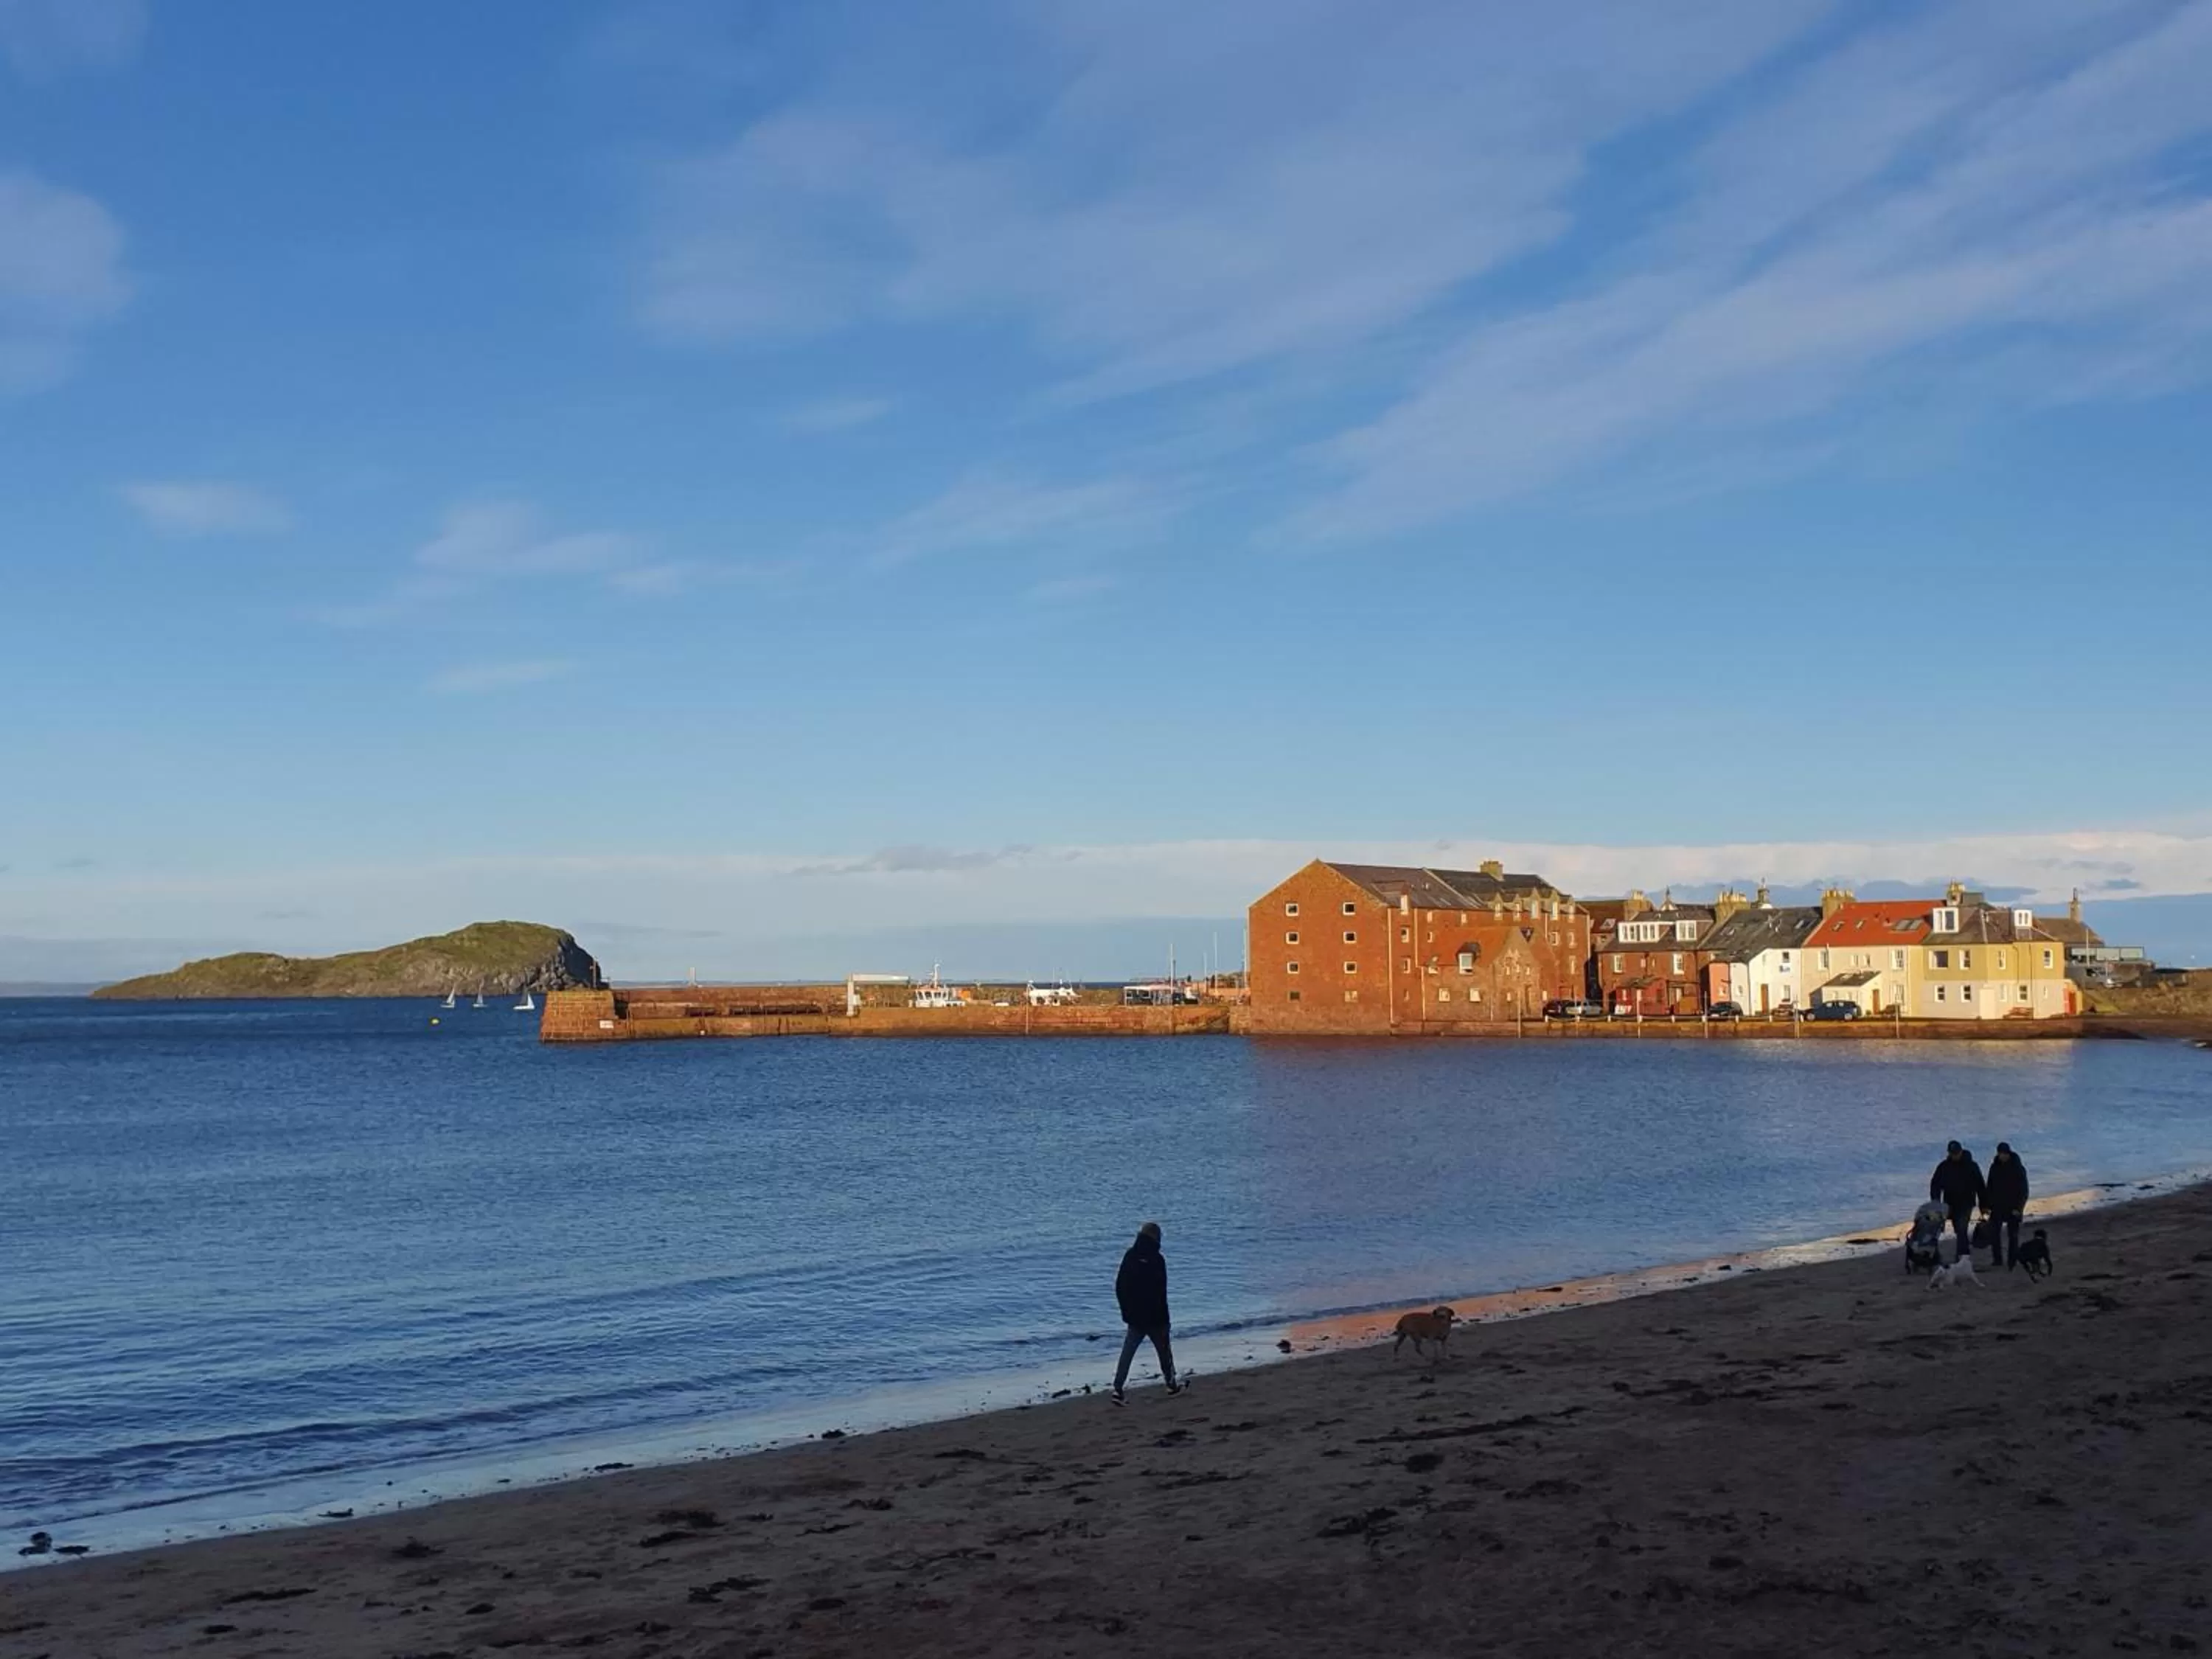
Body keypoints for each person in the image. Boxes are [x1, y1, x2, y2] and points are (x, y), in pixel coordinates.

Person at [1111, 1220, 1183, 1405]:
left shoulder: (1130, 1256)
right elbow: (1161, 1291)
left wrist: (1126, 1311)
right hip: (1156, 1317)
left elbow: (1120, 1286)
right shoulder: (1158, 1260)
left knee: (1127, 1353)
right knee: (1164, 1353)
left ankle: (1118, 1389)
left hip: (1135, 1316)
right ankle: (1171, 1384)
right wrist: (1164, 1317)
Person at [1929, 1140, 1986, 1263]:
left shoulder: (1971, 1166)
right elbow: (1935, 1184)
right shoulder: (1944, 1167)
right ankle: (1935, 1256)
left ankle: (1962, 1257)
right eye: (1952, 1153)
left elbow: (1980, 1186)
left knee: (1962, 1229)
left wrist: (1984, 1206)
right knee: (1942, 1227)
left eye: (1956, 1153)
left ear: (1961, 1152)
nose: (1955, 1156)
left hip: (1966, 1203)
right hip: (1949, 1204)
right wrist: (1936, 1202)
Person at [1985, 1141, 2030, 1269]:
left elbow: (2024, 1191)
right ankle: (1997, 1260)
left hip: (2013, 1206)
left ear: (2008, 1153)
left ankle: (2013, 1260)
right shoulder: (1994, 1167)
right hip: (1997, 1206)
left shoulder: (2018, 1168)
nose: (2002, 1156)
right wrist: (1987, 1205)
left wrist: (2019, 1208)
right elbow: (1990, 1186)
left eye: (2004, 1154)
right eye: (2000, 1154)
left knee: (2013, 1235)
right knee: (1994, 1234)